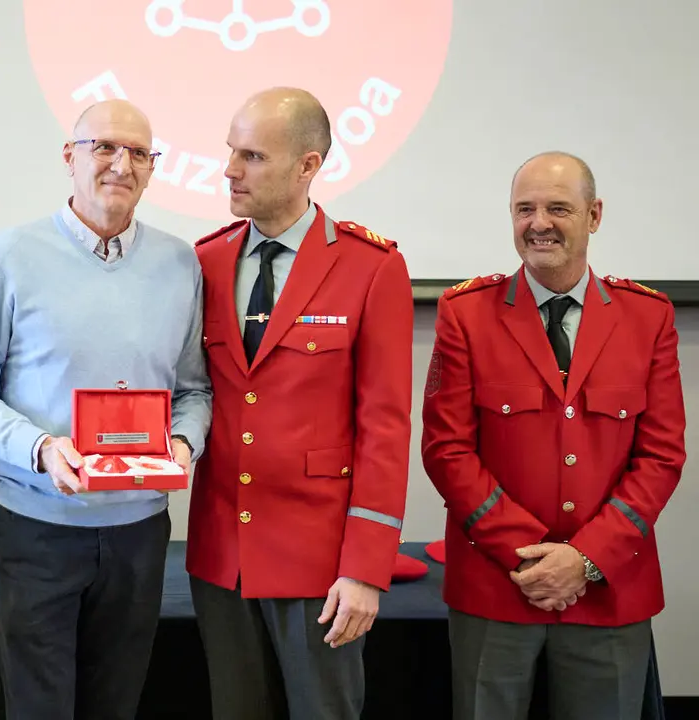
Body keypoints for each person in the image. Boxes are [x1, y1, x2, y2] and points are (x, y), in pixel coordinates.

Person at [0, 99, 212, 720]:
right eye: (105, 147)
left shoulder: (180, 263)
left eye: (139, 153)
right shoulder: (8, 255)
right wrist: (39, 449)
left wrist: (184, 443)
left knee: (116, 703)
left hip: (139, 531)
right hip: (38, 528)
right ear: (70, 157)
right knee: (40, 707)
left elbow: (194, 390)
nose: (122, 164)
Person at [421, 151, 686, 720]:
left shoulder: (648, 317)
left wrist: (585, 559)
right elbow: (447, 449)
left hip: (609, 588)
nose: (538, 223)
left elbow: (662, 455)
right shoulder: (465, 313)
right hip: (497, 585)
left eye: (558, 208)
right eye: (525, 209)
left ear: (594, 215)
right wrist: (530, 559)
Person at [186, 87, 414, 720]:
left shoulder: (371, 267)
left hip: (321, 564)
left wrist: (367, 567)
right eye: (231, 151)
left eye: (253, 155)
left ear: (309, 166)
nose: (230, 169)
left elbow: (385, 427)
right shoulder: (205, 260)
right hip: (222, 556)